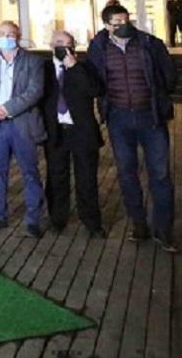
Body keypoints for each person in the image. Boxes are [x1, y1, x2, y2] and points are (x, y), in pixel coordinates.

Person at [87, 3, 179, 253]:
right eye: (117, 23)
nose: (123, 26)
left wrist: (160, 99)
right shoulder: (98, 47)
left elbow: (169, 74)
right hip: (119, 118)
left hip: (150, 117)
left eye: (126, 20)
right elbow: (93, 80)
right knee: (127, 173)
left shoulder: (149, 44)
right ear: (107, 25)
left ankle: (164, 230)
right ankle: (139, 224)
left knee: (160, 174)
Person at [0, 21, 46, 238]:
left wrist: (8, 108)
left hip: (22, 124)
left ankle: (33, 219)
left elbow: (35, 91)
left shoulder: (33, 61)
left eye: (10, 34)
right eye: (1, 34)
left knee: (30, 172)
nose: (6, 37)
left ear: (19, 35)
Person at [42, 30, 106, 237]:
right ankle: (57, 219)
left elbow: (94, 90)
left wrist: (74, 67)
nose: (63, 46)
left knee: (86, 178)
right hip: (55, 132)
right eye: (59, 42)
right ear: (51, 44)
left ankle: (92, 222)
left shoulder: (85, 67)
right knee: (56, 177)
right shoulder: (43, 68)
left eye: (68, 43)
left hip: (82, 131)